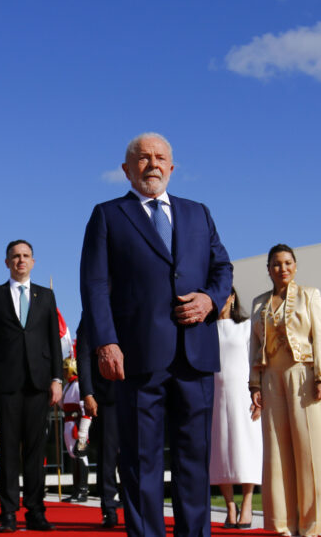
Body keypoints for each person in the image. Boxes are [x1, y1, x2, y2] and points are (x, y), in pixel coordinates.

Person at [79, 132, 233, 537]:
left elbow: (223, 270)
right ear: (127, 169)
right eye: (143, 158)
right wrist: (106, 342)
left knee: (194, 461)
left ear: (172, 167)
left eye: (160, 157)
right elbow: (94, 284)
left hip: (195, 356)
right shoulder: (108, 215)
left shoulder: (198, 213)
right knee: (141, 461)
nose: (153, 164)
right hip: (138, 357)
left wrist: (209, 301)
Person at [249, 244, 321, 537]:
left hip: (304, 377)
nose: (282, 268)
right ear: (268, 269)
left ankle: (314, 527)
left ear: (295, 266)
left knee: (310, 450)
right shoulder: (259, 303)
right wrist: (255, 385)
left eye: (287, 263)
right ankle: (281, 526)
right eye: (276, 264)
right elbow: (254, 348)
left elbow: (319, 337)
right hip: (271, 378)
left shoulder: (310, 295)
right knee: (276, 453)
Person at [0, 239, 63, 533]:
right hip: (5, 383)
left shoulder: (46, 296)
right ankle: (8, 513)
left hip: (39, 383)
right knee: (9, 450)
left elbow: (54, 340)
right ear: (7, 262)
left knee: (36, 451)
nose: (21, 261)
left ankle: (36, 511)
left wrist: (57, 379)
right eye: (15, 256)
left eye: (26, 256)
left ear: (33, 262)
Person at [209, 290, 262, 529]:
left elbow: (255, 360)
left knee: (246, 447)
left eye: (223, 295)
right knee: (220, 452)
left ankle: (248, 503)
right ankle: (230, 506)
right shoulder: (204, 329)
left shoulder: (246, 327)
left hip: (243, 394)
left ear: (231, 297)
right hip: (214, 397)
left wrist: (257, 390)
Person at [75, 321, 122, 529]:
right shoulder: (91, 317)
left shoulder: (128, 303)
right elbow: (83, 356)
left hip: (134, 391)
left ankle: (135, 503)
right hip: (106, 396)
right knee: (108, 455)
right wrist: (87, 393)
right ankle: (109, 507)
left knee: (136, 453)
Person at [59, 356, 91, 503]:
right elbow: (63, 405)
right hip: (68, 424)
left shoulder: (78, 386)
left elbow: (85, 410)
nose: (64, 373)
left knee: (81, 455)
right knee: (73, 456)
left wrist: (83, 433)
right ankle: (75, 490)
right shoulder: (67, 386)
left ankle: (83, 490)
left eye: (66, 370)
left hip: (77, 426)